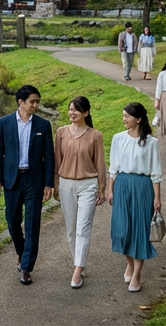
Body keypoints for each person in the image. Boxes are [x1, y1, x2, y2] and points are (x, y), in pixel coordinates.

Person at [0, 84, 55, 285]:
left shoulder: (43, 125)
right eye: (32, 102)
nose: (36, 105)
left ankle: (27, 267)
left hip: (34, 180)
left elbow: (49, 157)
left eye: (37, 102)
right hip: (12, 178)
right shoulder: (4, 123)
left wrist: (48, 184)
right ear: (21, 102)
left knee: (32, 223)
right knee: (12, 219)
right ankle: (22, 252)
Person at [107, 101, 162, 293]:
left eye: (127, 116)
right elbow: (113, 167)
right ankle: (129, 263)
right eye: (123, 115)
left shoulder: (151, 142)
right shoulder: (118, 138)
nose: (124, 119)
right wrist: (110, 189)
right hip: (122, 185)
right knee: (121, 231)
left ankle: (136, 274)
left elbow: (155, 172)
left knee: (139, 231)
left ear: (138, 119)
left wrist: (157, 198)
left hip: (142, 187)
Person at [54, 96, 105, 289]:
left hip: (88, 184)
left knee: (83, 227)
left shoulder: (95, 135)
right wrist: (55, 184)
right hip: (66, 183)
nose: (72, 113)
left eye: (76, 110)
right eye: (70, 109)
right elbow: (57, 161)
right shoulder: (61, 133)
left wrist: (102, 187)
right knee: (71, 228)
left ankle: (77, 270)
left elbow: (100, 162)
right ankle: (79, 261)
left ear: (86, 113)